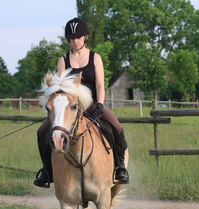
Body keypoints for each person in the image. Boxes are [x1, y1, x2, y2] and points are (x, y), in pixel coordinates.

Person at [34, 17, 129, 188]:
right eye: (71, 38)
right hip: (69, 108)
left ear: (85, 37)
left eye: (78, 37)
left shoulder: (95, 58)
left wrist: (100, 104)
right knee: (42, 132)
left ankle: (120, 167)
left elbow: (100, 84)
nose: (75, 41)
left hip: (92, 105)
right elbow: (62, 88)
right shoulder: (63, 60)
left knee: (116, 127)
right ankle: (47, 170)